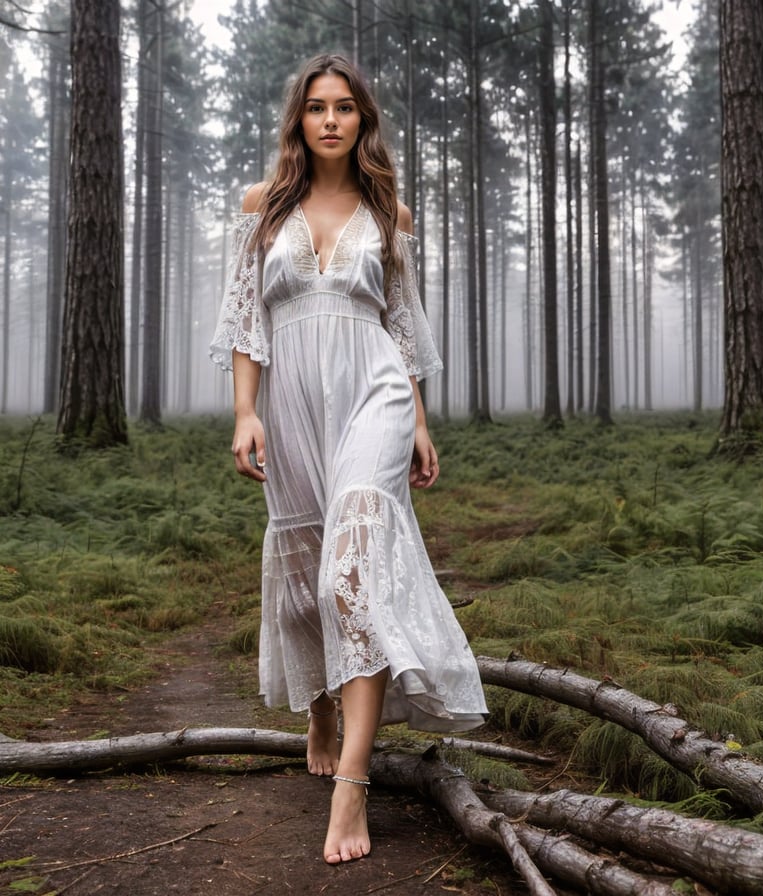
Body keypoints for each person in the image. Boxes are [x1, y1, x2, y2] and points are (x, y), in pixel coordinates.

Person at [209, 54, 487, 865]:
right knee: (305, 578)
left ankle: (352, 787)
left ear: (363, 121)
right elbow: (246, 320)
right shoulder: (261, 208)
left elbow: (402, 327)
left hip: (374, 393)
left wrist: (422, 424)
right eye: (316, 108)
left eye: (345, 109)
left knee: (349, 574)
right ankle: (320, 704)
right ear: (299, 121)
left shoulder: (389, 211)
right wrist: (244, 411)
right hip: (292, 400)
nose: (331, 120)